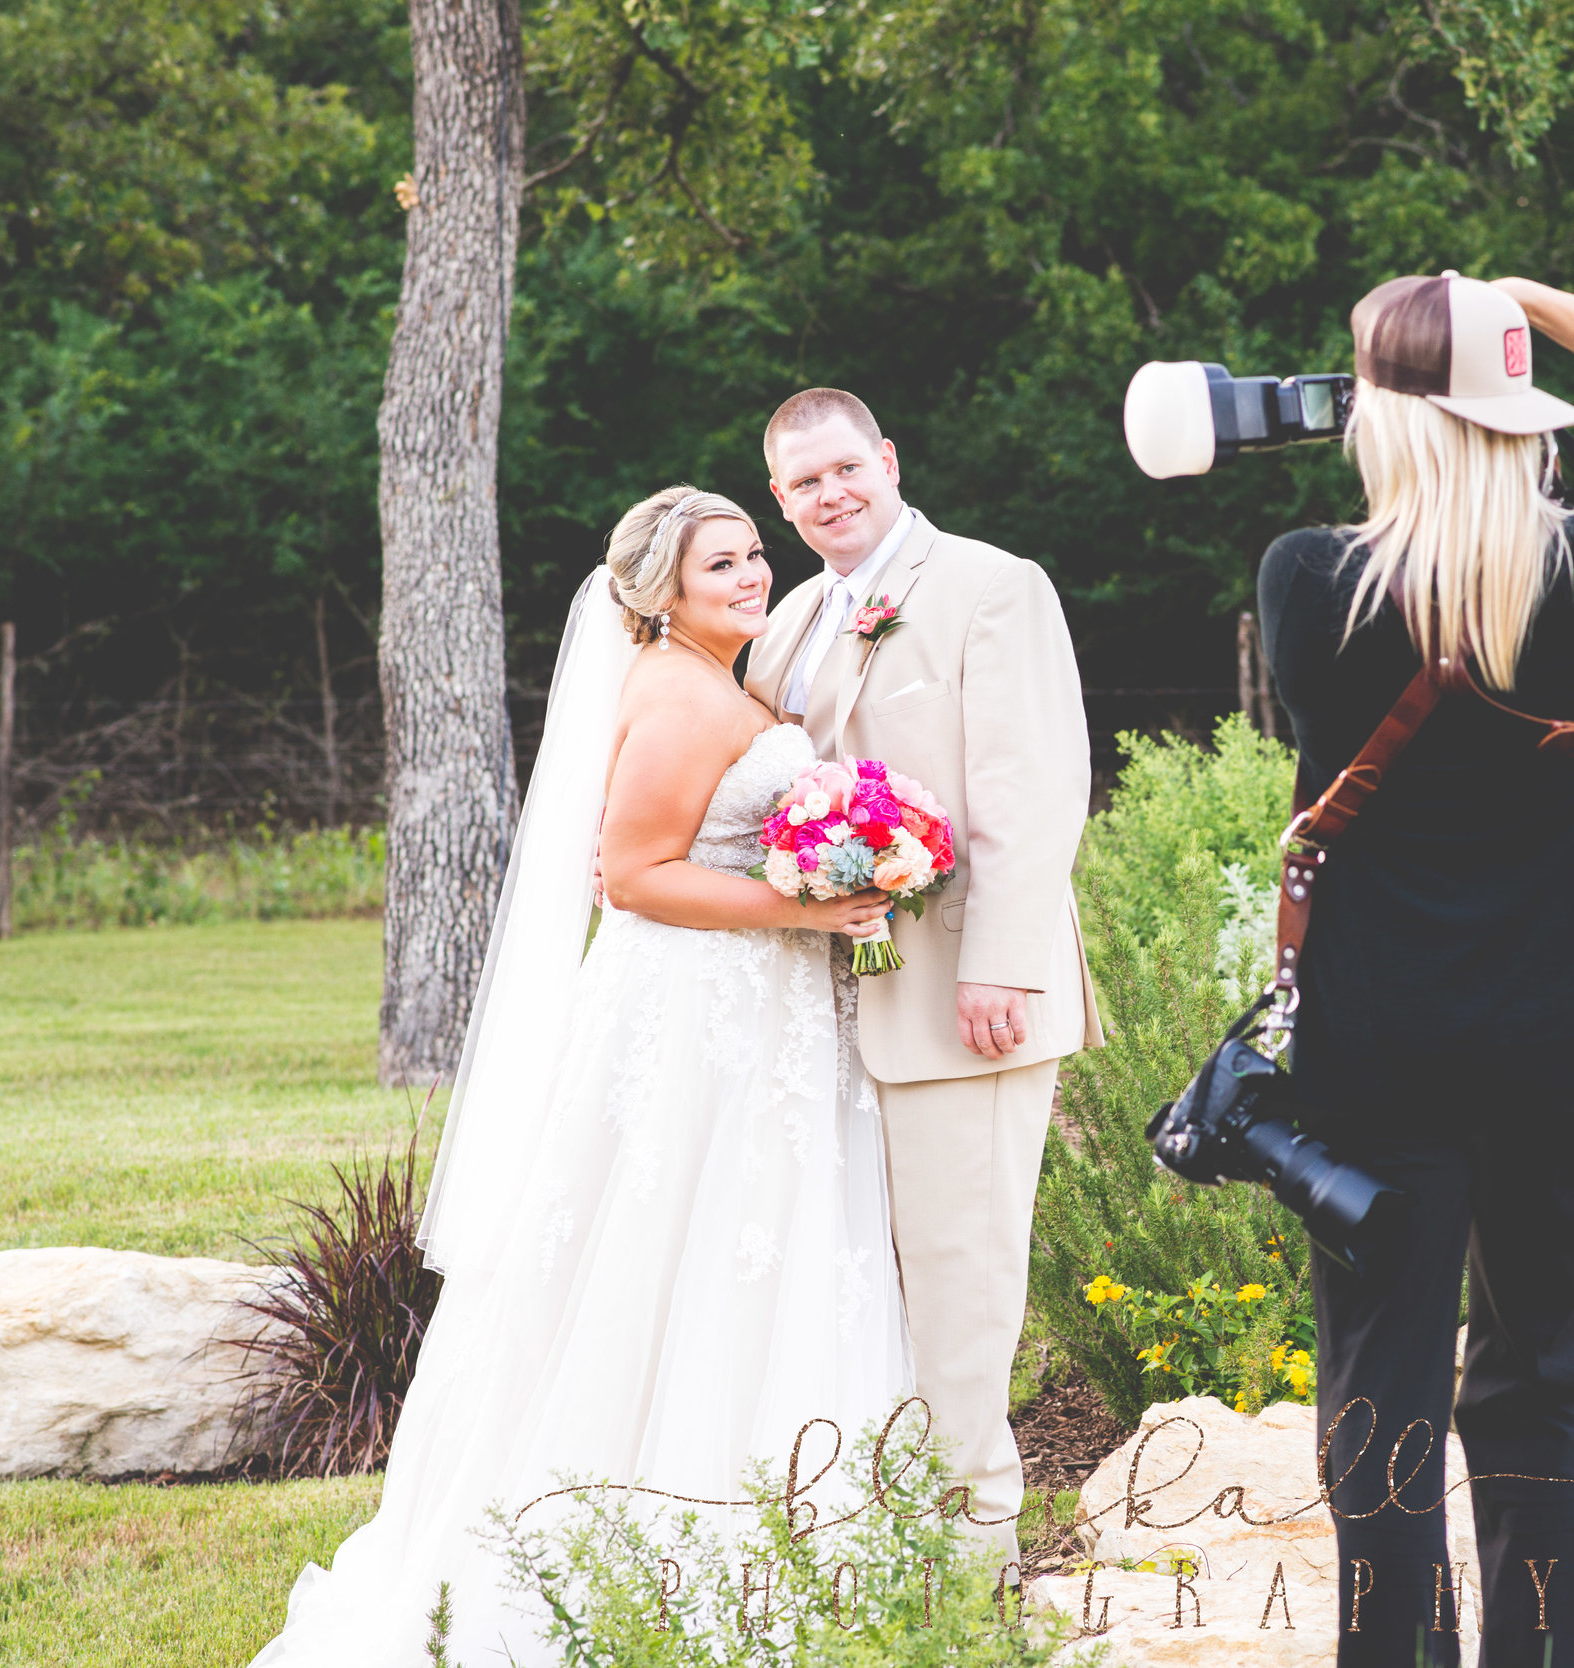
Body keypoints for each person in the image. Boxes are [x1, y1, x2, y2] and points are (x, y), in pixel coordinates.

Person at [248, 488, 908, 1666]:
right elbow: (633, 873)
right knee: (677, 1245)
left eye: (754, 554)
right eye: (722, 564)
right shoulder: (672, 692)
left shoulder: (722, 679)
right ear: (664, 591)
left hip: (751, 1003)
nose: (752, 575)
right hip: (698, 1009)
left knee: (745, 1242)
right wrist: (802, 905)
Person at [1256, 272, 1574, 1668]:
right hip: (1565, 1043)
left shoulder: (1308, 581)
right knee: (1536, 1384)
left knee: (1380, 1390)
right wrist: (1525, 294)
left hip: (1377, 1051)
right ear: (1519, 412)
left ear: (1380, 413)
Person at [740, 387, 1102, 1567]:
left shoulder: (992, 587)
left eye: (846, 468)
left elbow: (1033, 795)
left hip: (963, 998)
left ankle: (971, 1555)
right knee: (857, 1271)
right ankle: (868, 1529)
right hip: (825, 1002)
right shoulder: (791, 619)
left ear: (888, 459)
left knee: (960, 1271)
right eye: (803, 483)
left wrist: (1000, 966)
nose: (830, 495)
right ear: (782, 503)